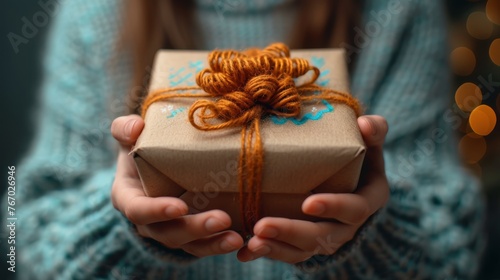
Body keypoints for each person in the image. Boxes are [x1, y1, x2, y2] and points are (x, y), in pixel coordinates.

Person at [15, 0, 485, 279]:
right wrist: (119, 218)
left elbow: (455, 251)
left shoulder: (399, 10)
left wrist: (375, 231)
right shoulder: (94, 14)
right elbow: (26, 240)